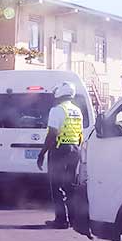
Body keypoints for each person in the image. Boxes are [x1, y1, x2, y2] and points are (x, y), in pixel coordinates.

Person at [37, 82, 84, 229]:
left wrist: (42, 153)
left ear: (59, 94)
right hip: (75, 150)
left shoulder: (57, 110)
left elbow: (52, 133)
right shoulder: (77, 111)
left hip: (60, 150)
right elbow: (80, 134)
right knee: (70, 186)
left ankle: (61, 220)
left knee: (56, 186)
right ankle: (73, 218)